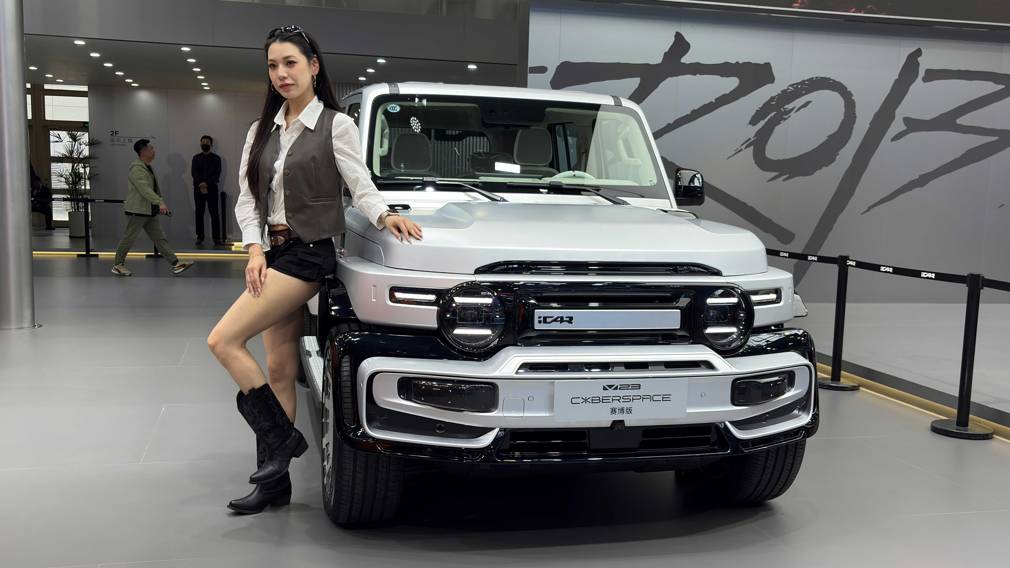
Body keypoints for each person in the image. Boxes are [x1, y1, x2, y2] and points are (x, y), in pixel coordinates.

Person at [206, 25, 422, 515]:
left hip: (308, 254)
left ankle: (283, 443)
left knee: (223, 340)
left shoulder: (336, 125)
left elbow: (359, 185)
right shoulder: (261, 130)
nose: (281, 74)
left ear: (313, 66)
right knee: (279, 369)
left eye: (291, 63)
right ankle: (274, 484)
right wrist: (254, 249)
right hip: (272, 253)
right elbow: (247, 199)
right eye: (273, 65)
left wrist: (385, 215)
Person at [111, 139, 195, 277]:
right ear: (144, 151)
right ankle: (118, 265)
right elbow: (144, 189)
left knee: (160, 238)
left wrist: (158, 204)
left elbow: (153, 189)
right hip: (137, 211)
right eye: (151, 148)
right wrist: (159, 202)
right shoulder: (137, 169)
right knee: (129, 238)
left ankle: (175, 263)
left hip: (148, 210)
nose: (154, 150)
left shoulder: (147, 167)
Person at [191, 135, 224, 246]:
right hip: (198, 189)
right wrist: (201, 183)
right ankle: (200, 236)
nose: (204, 144)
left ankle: (216, 238)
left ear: (211, 144)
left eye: (207, 142)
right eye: (203, 142)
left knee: (214, 213)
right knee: (199, 213)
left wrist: (206, 183)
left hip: (212, 189)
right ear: (200, 144)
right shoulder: (196, 158)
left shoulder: (217, 158)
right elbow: (194, 173)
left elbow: (217, 174)